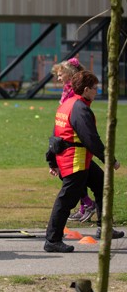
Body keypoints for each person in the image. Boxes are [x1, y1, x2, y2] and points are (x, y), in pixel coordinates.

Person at [44, 70, 124, 253]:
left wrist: (52, 160)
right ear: (86, 89)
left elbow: (55, 134)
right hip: (75, 160)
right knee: (66, 200)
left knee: (101, 184)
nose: (98, 91)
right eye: (96, 88)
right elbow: (91, 139)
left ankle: (105, 228)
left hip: (72, 157)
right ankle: (52, 240)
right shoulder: (80, 108)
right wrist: (109, 159)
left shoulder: (67, 104)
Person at [51, 58, 96, 223]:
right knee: (79, 177)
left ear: (70, 74)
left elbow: (74, 115)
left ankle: (89, 205)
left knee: (73, 176)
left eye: (61, 74)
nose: (59, 78)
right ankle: (85, 206)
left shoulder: (74, 91)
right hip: (68, 138)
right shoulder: (68, 89)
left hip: (74, 141)